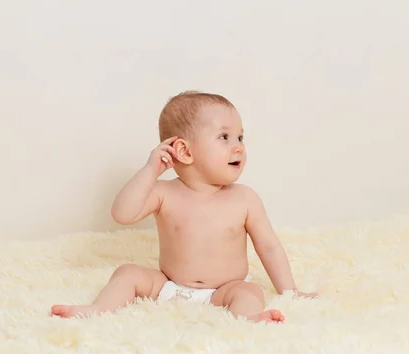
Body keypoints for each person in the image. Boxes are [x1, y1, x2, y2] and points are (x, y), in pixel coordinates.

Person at [51, 91, 317, 323]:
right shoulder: (164, 192)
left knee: (250, 293)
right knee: (127, 273)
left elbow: (269, 246)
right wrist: (150, 170)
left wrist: (289, 291)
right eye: (224, 137)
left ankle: (247, 319)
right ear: (184, 151)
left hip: (222, 291)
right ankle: (99, 309)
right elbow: (123, 214)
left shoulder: (245, 199)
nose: (238, 147)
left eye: (240, 137)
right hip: (168, 286)